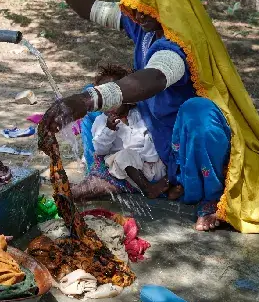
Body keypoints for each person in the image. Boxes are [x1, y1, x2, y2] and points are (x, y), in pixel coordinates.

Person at [29, 0, 259, 233]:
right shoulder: (140, 24)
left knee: (198, 113)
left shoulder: (180, 41)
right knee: (100, 109)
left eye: (145, 9)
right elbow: (91, 8)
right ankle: (102, 177)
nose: (137, 15)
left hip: (183, 142)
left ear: (165, 7)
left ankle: (211, 198)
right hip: (151, 133)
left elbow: (155, 77)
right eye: (134, 7)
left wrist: (85, 99)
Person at [76, 63, 183, 201]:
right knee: (123, 156)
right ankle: (149, 189)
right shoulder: (102, 122)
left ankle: (171, 183)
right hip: (132, 174)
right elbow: (100, 149)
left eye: (114, 99)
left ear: (130, 100)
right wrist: (109, 130)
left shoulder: (140, 113)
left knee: (177, 151)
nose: (109, 105)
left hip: (156, 166)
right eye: (105, 101)